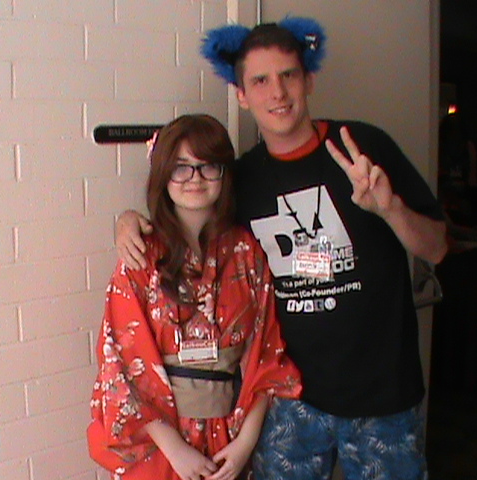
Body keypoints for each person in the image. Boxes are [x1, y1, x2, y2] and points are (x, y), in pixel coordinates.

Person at [116, 18, 447, 480]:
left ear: (308, 79)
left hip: (383, 397)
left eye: (288, 74)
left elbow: (436, 248)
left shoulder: (361, 147)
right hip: (290, 399)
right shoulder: (241, 179)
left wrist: (390, 209)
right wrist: (129, 221)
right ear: (242, 94)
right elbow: (190, 218)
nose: (278, 92)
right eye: (260, 80)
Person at [87, 114, 301, 480]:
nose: (195, 179)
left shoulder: (245, 251)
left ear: (225, 174)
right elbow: (120, 361)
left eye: (208, 167)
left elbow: (266, 353)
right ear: (163, 175)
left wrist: (245, 443)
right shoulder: (141, 255)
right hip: (159, 441)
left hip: (227, 436)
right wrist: (175, 450)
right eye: (181, 168)